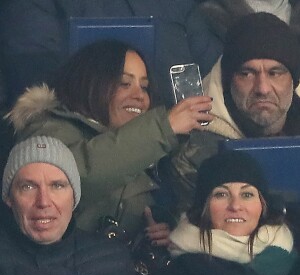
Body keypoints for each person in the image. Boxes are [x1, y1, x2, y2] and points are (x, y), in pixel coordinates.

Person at [7, 39, 213, 248]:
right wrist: (163, 127)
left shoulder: (147, 142)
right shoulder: (48, 129)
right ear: (91, 83)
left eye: (144, 87)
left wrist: (167, 227)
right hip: (74, 269)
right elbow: (78, 175)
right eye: (124, 83)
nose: (139, 96)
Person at [169, 12, 300, 212]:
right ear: (227, 82)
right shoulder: (195, 152)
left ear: (293, 81)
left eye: (275, 73)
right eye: (247, 74)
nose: (262, 88)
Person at [0, 135, 145, 275]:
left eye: (57, 186)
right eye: (28, 186)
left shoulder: (112, 259)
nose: (43, 201)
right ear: (9, 198)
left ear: (74, 197)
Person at [0, 0, 222, 107]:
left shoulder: (180, 6)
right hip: (82, 145)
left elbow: (215, 71)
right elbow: (34, 80)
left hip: (178, 149)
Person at [143, 151, 297, 275]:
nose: (235, 206)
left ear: (262, 204)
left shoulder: (290, 254)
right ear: (204, 207)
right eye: (221, 194)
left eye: (247, 195)